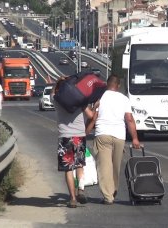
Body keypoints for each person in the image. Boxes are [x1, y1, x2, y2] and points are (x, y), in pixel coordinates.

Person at [86, 75, 141, 205]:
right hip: (119, 136)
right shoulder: (124, 99)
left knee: (104, 166)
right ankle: (113, 191)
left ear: (107, 84)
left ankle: (108, 196)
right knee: (115, 167)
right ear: (118, 86)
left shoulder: (100, 97)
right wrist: (135, 139)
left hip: (102, 134)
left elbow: (93, 116)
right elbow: (129, 119)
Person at [52, 77, 95, 208]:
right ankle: (81, 189)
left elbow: (53, 93)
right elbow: (91, 116)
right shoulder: (79, 100)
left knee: (68, 169)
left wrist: (57, 82)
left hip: (65, 137)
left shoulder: (57, 100)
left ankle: (72, 199)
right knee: (79, 165)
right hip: (79, 137)